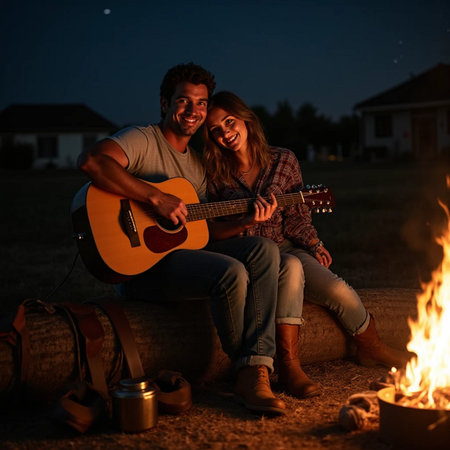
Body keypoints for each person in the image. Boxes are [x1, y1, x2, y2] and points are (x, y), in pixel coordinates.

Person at [77, 63, 303, 415]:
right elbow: (92, 162)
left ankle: (258, 363)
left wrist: (245, 221)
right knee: (231, 273)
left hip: (180, 258)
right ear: (166, 103)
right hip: (139, 267)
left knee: (263, 248)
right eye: (184, 101)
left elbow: (201, 231)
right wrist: (154, 197)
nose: (193, 111)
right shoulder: (142, 138)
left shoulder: (197, 166)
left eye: (201, 103)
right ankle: (247, 374)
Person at [202, 91, 413, 388]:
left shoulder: (283, 160)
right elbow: (209, 231)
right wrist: (246, 221)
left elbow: (298, 215)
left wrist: (313, 244)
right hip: (246, 255)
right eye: (216, 130)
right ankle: (290, 366)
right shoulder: (212, 173)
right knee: (292, 269)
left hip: (286, 244)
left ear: (246, 119)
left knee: (338, 289)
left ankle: (372, 347)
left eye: (230, 121)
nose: (226, 133)